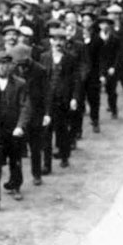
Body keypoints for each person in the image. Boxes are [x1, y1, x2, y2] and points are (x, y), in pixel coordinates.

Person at [0, 52, 31, 200]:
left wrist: (20, 126)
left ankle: (16, 186)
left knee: (15, 160)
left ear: (10, 65)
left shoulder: (20, 83)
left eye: (5, 64)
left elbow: (25, 106)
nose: (2, 67)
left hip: (13, 129)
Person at [40, 29, 80, 170]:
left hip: (63, 99)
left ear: (65, 42)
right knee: (46, 132)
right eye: (55, 40)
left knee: (62, 130)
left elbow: (76, 80)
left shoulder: (70, 58)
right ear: (50, 41)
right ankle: (46, 165)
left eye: (61, 40)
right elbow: (40, 79)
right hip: (47, 100)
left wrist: (74, 98)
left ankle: (64, 156)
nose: (58, 43)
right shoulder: (44, 57)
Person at [9, 44, 48, 185]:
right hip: (19, 114)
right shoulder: (12, 70)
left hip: (36, 113)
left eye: (22, 63)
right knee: (16, 149)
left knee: (35, 147)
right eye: (17, 63)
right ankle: (16, 180)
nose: (19, 66)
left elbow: (45, 93)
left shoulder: (40, 70)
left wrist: (46, 113)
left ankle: (36, 174)